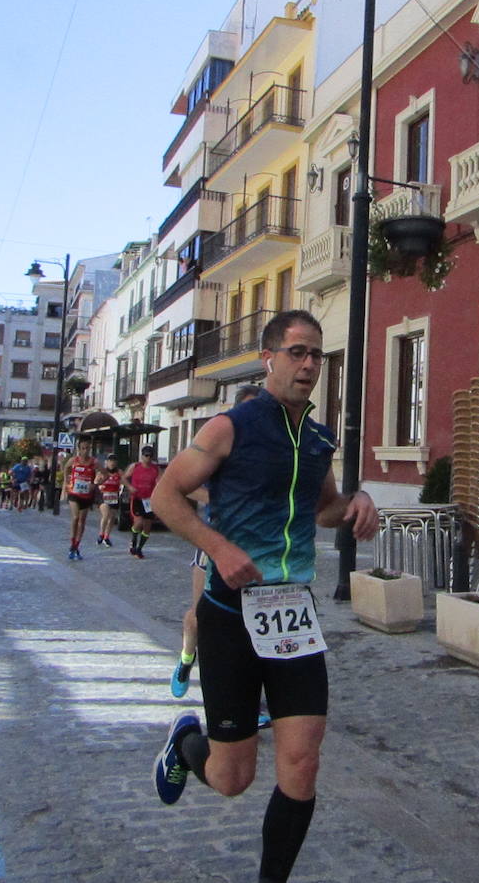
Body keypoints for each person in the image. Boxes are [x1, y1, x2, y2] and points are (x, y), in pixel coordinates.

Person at [150, 310, 379, 883]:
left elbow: (321, 508)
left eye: (317, 356)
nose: (308, 366)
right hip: (230, 617)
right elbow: (165, 496)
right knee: (233, 779)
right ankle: (187, 744)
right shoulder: (229, 427)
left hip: (292, 618)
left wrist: (355, 503)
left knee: (303, 762)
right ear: (269, 357)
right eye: (298, 352)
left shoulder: (320, 438)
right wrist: (219, 550)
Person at [172, 384, 264, 698]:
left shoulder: (267, 448)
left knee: (253, 621)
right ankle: (186, 658)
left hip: (254, 545)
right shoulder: (218, 441)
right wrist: (218, 498)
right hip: (214, 542)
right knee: (200, 617)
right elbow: (181, 487)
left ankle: (247, 698)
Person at [63, 440, 99, 559]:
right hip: (74, 493)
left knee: (82, 521)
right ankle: (72, 543)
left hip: (86, 495)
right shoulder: (73, 460)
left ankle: (76, 546)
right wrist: (67, 480)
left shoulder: (94, 462)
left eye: (87, 448)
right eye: (83, 448)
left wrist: (95, 484)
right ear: (79, 449)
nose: (85, 451)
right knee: (75, 517)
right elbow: (66, 468)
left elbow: (104, 474)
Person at [125, 445, 160, 559]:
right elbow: (124, 478)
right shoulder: (135, 466)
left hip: (149, 500)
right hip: (137, 498)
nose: (148, 458)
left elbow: (161, 481)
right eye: (146, 456)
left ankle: (139, 549)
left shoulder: (155, 469)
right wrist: (129, 487)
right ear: (142, 456)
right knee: (139, 522)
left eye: (150, 456)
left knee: (147, 527)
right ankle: (133, 541)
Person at [95, 455, 121, 546]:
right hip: (104, 496)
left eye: (114, 461)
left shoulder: (119, 472)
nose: (112, 463)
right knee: (105, 515)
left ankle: (107, 537)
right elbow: (96, 482)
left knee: (112, 518)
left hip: (114, 497)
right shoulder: (102, 472)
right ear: (107, 462)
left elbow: (123, 481)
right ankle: (101, 534)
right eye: (110, 461)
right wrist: (99, 485)